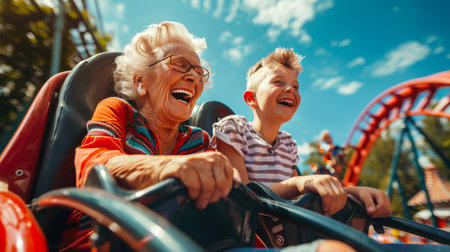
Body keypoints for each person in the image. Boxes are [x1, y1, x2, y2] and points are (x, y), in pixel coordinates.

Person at [60, 21, 237, 251]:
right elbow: (93, 163)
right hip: (104, 240)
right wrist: (165, 168)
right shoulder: (118, 111)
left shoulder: (200, 140)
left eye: (198, 72)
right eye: (180, 64)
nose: (194, 77)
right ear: (141, 82)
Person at [212, 48, 392, 218]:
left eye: (295, 86)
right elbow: (242, 195)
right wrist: (300, 184)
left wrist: (354, 193)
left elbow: (298, 197)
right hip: (252, 234)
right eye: (278, 82)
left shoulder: (287, 143)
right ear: (251, 98)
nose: (290, 89)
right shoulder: (233, 128)